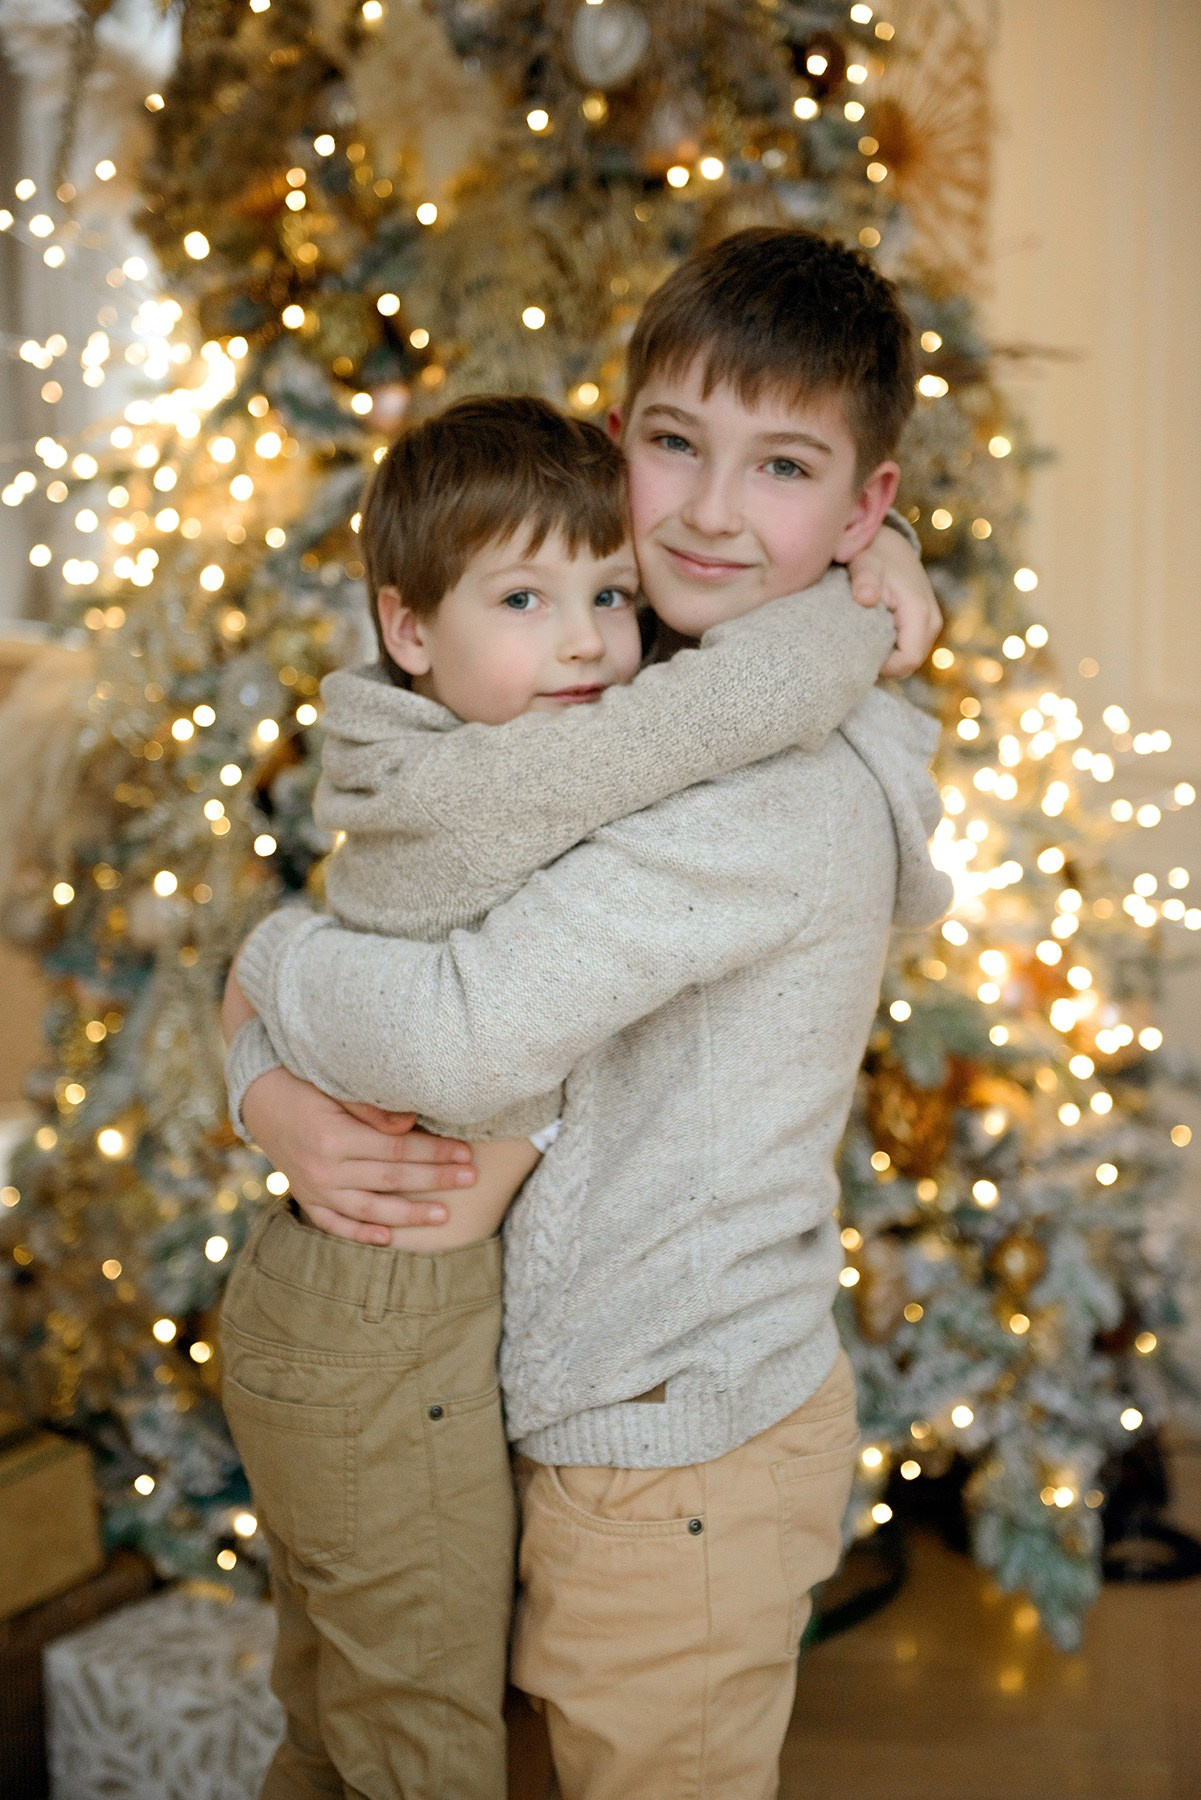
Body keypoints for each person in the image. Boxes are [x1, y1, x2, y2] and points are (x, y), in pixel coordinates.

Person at [225, 227, 952, 1799]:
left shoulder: (761, 797)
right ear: (615, 442)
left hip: (669, 1435)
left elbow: (460, 1037)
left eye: (780, 468)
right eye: (676, 444)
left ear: (859, 508)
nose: (703, 509)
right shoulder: (625, 692)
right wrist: (265, 1095)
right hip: (593, 1404)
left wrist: (267, 974)